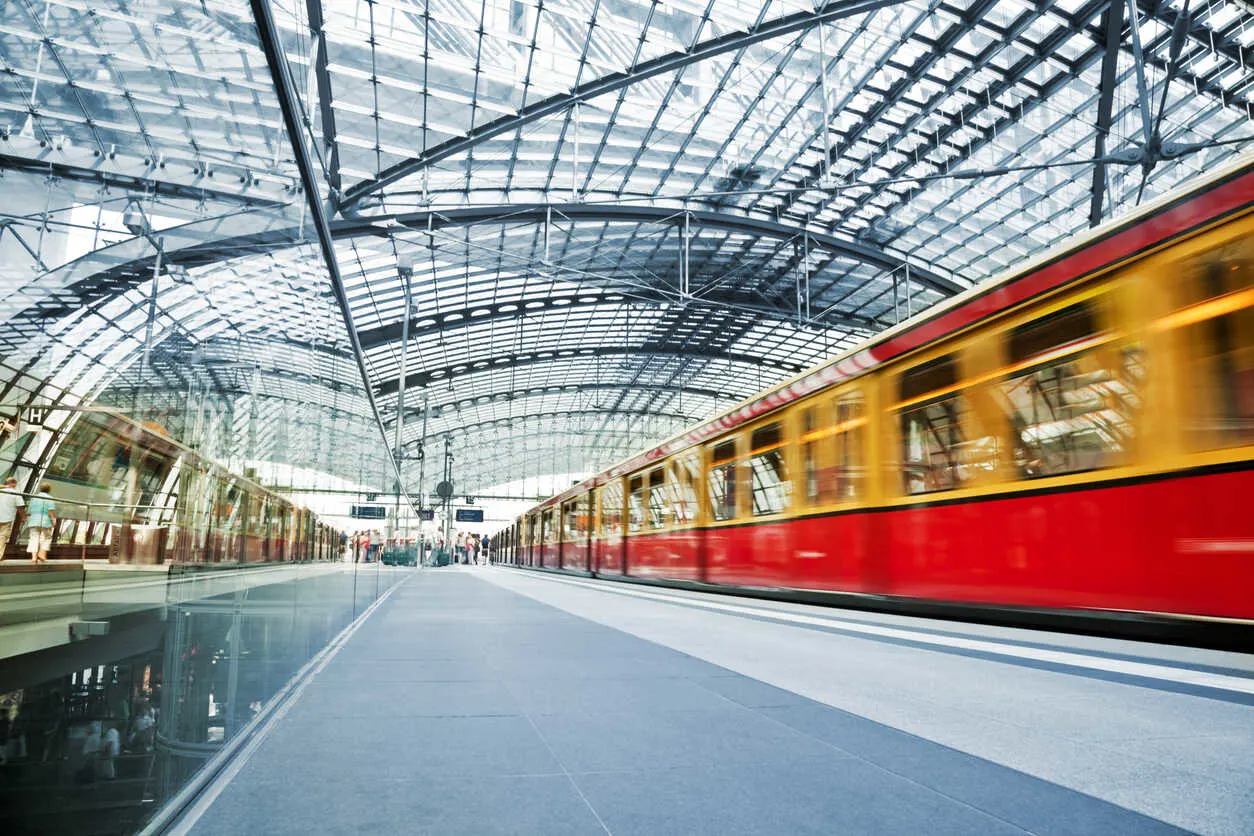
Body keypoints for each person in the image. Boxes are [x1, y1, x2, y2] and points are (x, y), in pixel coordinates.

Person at [25, 482, 56, 565]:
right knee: (47, 537)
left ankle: (34, 557)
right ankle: (41, 553)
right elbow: (50, 511)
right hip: (45, 521)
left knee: (33, 538)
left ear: (40, 489)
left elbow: (29, 511)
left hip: (34, 520)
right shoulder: (50, 498)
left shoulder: (34, 498)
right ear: (49, 490)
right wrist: (54, 519)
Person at [0, 477, 24, 560]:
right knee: (2, 537)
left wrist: (6, 487)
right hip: (7, 518)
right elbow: (20, 508)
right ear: (15, 483)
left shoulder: (1, 490)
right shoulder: (16, 493)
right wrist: (23, 518)